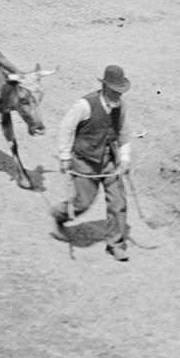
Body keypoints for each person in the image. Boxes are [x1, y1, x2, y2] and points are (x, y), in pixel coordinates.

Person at [51, 64, 133, 263]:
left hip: (109, 160)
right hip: (85, 161)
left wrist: (124, 159)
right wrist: (64, 157)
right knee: (82, 202)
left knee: (118, 202)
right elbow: (66, 128)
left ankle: (115, 244)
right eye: (114, 92)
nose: (118, 96)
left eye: (120, 92)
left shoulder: (119, 107)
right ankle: (59, 214)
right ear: (104, 87)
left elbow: (123, 132)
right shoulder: (84, 105)